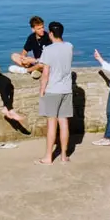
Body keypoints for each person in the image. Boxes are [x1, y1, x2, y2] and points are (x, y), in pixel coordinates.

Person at [36, 21, 74, 165]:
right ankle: (64, 155)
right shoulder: (69, 47)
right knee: (64, 123)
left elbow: (45, 73)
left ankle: (48, 157)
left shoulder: (48, 50)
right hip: (66, 89)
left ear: (50, 34)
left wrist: (41, 90)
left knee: (52, 123)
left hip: (53, 89)